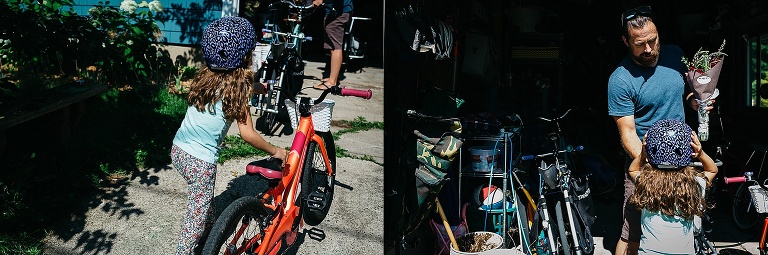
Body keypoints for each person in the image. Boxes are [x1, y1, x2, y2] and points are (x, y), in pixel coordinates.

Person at [170, 16, 288, 255]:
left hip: (178, 150)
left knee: (201, 200)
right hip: (200, 161)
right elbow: (248, 134)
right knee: (195, 218)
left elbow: (230, 87)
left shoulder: (206, 77)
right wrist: (276, 151)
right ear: (245, 56)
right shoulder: (239, 88)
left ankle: (210, 222)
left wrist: (256, 87)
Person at [606, 5, 713, 255]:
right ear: (625, 41)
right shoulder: (620, 79)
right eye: (639, 44)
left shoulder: (675, 55)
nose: (649, 49)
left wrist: (695, 101)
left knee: (682, 225)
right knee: (632, 231)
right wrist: (651, 166)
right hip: (645, 165)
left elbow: (685, 91)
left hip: (682, 161)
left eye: (653, 41)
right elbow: (628, 133)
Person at [627, 119, 718, 255]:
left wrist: (642, 154)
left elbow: (632, 170)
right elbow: (712, 170)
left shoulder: (646, 183)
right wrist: (700, 153)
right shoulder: (694, 184)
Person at [312, 0, 353, 90]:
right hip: (336, 12)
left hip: (337, 14)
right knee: (333, 47)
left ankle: (332, 82)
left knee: (335, 47)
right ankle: (332, 78)